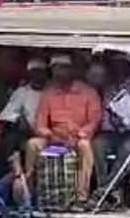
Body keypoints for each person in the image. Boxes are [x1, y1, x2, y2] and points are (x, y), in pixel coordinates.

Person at [25, 54, 102, 204]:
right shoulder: (49, 93)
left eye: (63, 69)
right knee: (32, 144)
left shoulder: (88, 92)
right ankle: (30, 195)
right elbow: (39, 124)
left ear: (71, 70)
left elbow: (94, 120)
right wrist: (50, 134)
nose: (59, 73)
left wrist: (80, 134)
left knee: (85, 146)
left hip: (77, 138)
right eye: (56, 69)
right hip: (53, 138)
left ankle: (81, 196)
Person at [93, 58, 130, 201]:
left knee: (126, 149)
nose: (118, 70)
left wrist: (128, 122)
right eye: (115, 67)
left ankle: (104, 190)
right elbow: (106, 115)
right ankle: (105, 187)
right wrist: (114, 122)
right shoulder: (108, 88)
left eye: (121, 67)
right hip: (113, 132)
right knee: (98, 144)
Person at [0, 57, 46, 143]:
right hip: (26, 133)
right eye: (34, 71)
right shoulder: (22, 91)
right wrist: (18, 119)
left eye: (40, 71)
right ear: (29, 73)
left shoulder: (52, 91)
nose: (37, 75)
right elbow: (7, 114)